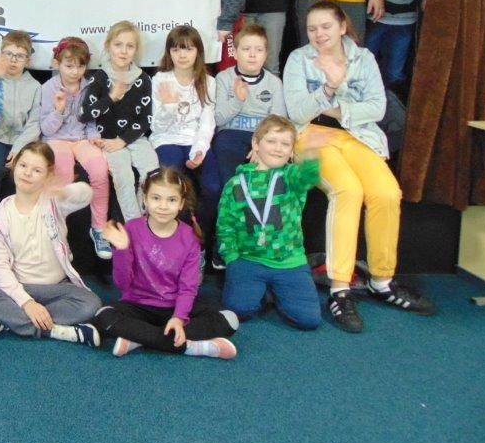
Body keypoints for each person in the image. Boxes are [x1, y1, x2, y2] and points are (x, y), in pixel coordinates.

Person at [284, 0, 434, 332]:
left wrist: (337, 109)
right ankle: (340, 288)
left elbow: (377, 107)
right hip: (311, 136)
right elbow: (297, 111)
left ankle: (381, 281)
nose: (318, 34)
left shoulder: (363, 59)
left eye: (325, 26)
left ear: (342, 26)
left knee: (386, 193)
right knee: (347, 190)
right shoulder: (299, 59)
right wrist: (329, 87)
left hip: (357, 136)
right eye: (312, 28)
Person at [93, 168, 239, 358]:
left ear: (181, 204)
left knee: (230, 319)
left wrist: (179, 318)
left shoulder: (189, 237)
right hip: (138, 305)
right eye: (156, 198)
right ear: (145, 200)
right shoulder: (131, 229)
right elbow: (123, 285)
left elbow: (188, 288)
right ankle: (191, 347)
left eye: (171, 200)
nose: (163, 206)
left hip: (174, 306)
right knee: (103, 315)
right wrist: (121, 250)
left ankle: (139, 339)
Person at [0, 142, 102, 346]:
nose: (27, 173)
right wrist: (27, 303)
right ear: (14, 166)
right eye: (23, 165)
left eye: (37, 170)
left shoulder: (54, 202)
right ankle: (58, 331)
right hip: (19, 289)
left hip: (56, 288)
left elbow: (86, 194)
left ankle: (11, 322)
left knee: (91, 303)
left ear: (48, 175)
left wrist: (62, 192)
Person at [217, 115, 322, 330]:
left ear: (291, 151)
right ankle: (262, 290)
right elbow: (225, 225)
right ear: (256, 144)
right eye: (271, 141)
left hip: (289, 262)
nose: (278, 148)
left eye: (285, 144)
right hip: (249, 259)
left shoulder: (291, 177)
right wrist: (232, 259)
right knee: (239, 310)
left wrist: (311, 156)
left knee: (308, 319)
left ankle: (276, 292)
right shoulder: (235, 184)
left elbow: (307, 177)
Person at [151, 26, 221, 259]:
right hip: (167, 139)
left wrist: (199, 150)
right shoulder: (161, 79)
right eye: (176, 49)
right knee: (172, 187)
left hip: (195, 140)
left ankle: (200, 240)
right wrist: (170, 106)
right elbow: (158, 127)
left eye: (188, 49)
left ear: (198, 52)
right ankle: (174, 244)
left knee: (213, 187)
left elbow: (207, 122)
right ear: (169, 53)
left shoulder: (208, 82)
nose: (182, 55)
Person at [79, 21, 159, 222]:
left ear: (136, 50)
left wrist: (124, 140)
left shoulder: (143, 79)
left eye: (129, 46)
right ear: (108, 46)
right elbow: (84, 114)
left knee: (152, 172)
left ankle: (145, 219)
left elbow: (145, 119)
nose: (123, 51)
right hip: (108, 140)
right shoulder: (100, 78)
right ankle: (134, 224)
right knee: (124, 176)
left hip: (134, 137)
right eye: (118, 45)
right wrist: (111, 97)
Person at [40, 37, 110, 259]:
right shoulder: (48, 88)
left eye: (80, 66)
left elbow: (90, 121)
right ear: (57, 63)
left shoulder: (89, 87)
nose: (74, 72)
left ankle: (98, 228)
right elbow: (46, 129)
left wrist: (94, 137)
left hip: (82, 139)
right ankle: (57, 230)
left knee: (100, 169)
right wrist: (59, 111)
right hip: (56, 139)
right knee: (64, 171)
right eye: (68, 66)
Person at [213, 24, 287, 185]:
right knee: (225, 146)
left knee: (273, 154)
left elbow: (279, 122)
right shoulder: (223, 78)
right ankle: (231, 196)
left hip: (263, 136)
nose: (252, 55)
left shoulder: (274, 83)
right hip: (230, 135)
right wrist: (237, 100)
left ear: (266, 54)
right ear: (235, 53)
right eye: (246, 49)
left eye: (259, 50)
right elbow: (218, 119)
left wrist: (260, 144)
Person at [0, 30, 42, 203]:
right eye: (9, 54)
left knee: (19, 174)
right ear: (1, 55)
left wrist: (18, 148)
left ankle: (12, 214)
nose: (13, 60)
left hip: (23, 142)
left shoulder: (35, 86)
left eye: (20, 56)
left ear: (28, 60)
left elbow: (34, 123)